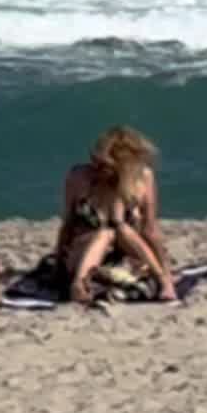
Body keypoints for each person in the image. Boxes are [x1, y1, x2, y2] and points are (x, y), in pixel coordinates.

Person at [56, 127, 178, 305]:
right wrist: (58, 263)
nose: (100, 169)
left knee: (122, 229)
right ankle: (79, 284)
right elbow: (69, 224)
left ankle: (163, 280)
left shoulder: (142, 178)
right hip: (85, 255)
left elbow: (150, 230)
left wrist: (166, 269)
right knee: (105, 233)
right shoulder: (79, 177)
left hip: (127, 255)